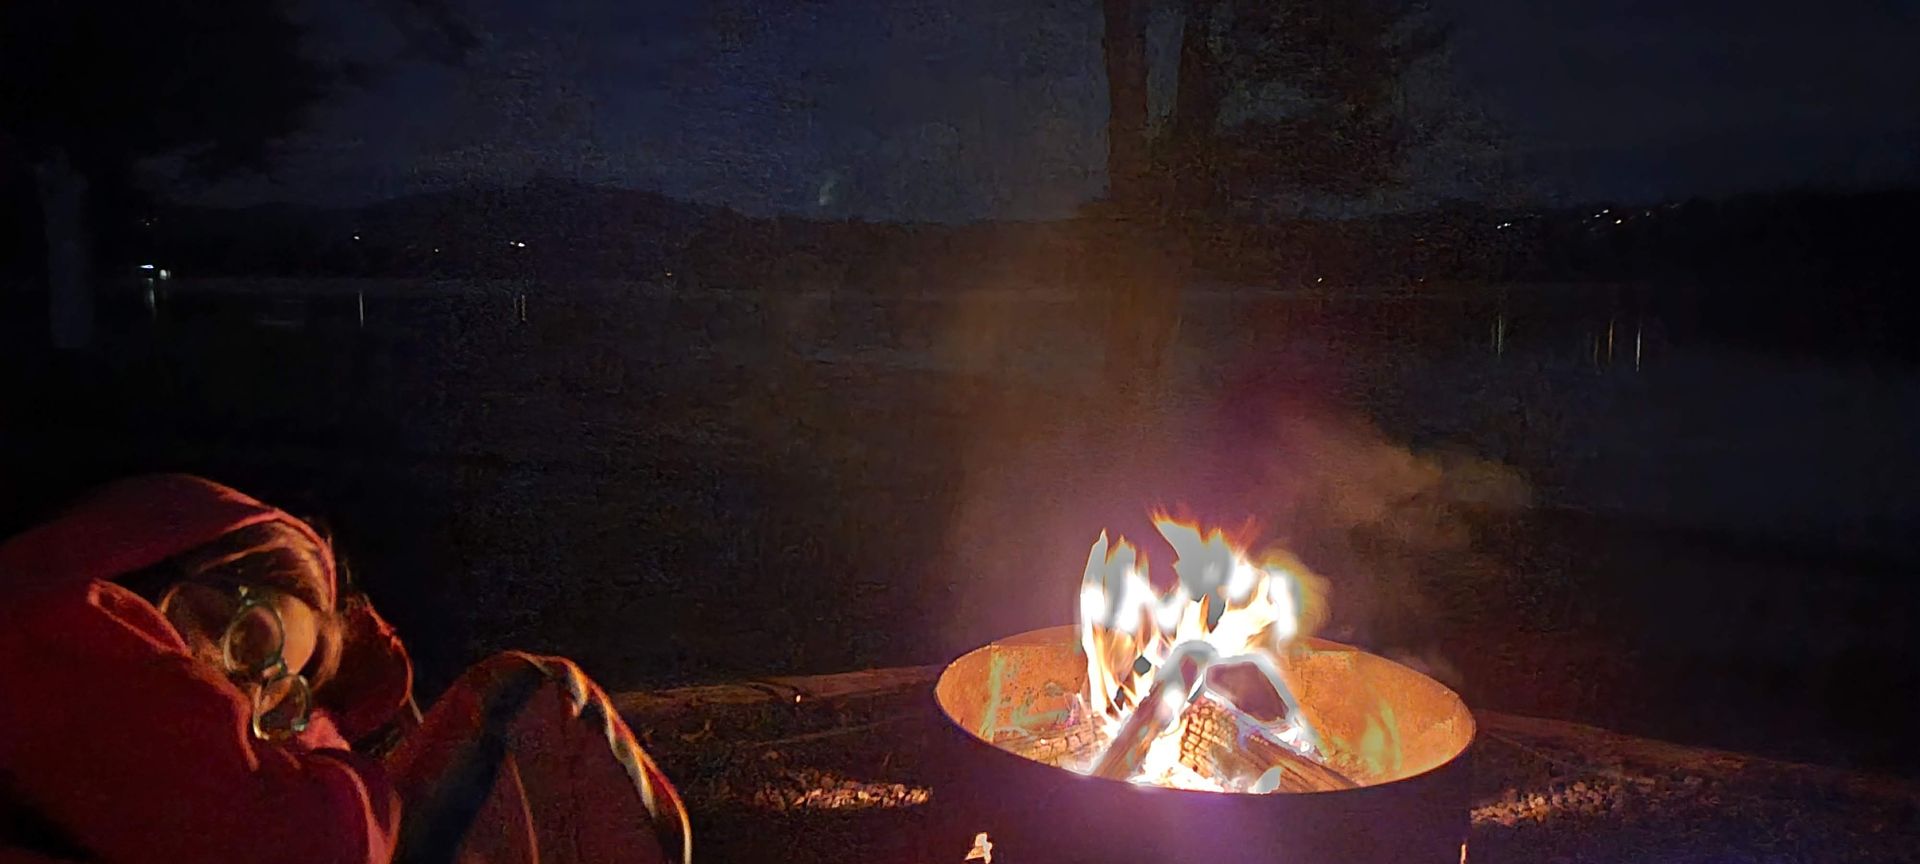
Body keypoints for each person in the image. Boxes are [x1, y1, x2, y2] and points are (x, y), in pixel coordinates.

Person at [0, 474, 689, 863]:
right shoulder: (68, 629)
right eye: (249, 635)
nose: (247, 687)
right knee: (531, 692)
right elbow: (314, 845)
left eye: (277, 685)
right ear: (169, 563)